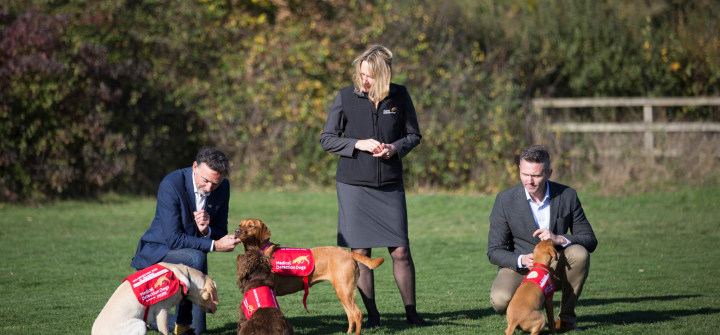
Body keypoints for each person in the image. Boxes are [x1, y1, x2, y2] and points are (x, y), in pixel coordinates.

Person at [319, 45, 432, 327]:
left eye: (369, 76)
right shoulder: (345, 96)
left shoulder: (400, 95)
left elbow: (413, 135)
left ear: (383, 76)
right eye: (361, 74)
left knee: (401, 251)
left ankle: (412, 315)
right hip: (353, 186)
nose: (364, 80)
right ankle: (373, 317)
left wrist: (394, 148)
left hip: (390, 185)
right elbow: (327, 139)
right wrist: (357, 143)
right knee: (360, 254)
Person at [130, 147, 242, 335]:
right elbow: (173, 239)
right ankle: (182, 324)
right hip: (157, 250)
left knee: (198, 330)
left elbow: (220, 230)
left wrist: (207, 231)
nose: (209, 188)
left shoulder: (223, 187)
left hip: (190, 254)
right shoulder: (171, 183)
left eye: (215, 184)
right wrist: (214, 245)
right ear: (195, 167)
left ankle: (152, 319)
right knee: (196, 257)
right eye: (205, 181)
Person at [487, 145, 598, 331]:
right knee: (499, 300)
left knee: (580, 254)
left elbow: (590, 240)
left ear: (549, 173)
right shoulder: (504, 200)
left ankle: (566, 319)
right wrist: (521, 260)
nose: (529, 181)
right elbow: (493, 251)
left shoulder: (567, 195)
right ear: (519, 170)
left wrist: (559, 238)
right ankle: (527, 318)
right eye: (525, 174)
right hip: (521, 270)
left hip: (554, 265)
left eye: (536, 176)